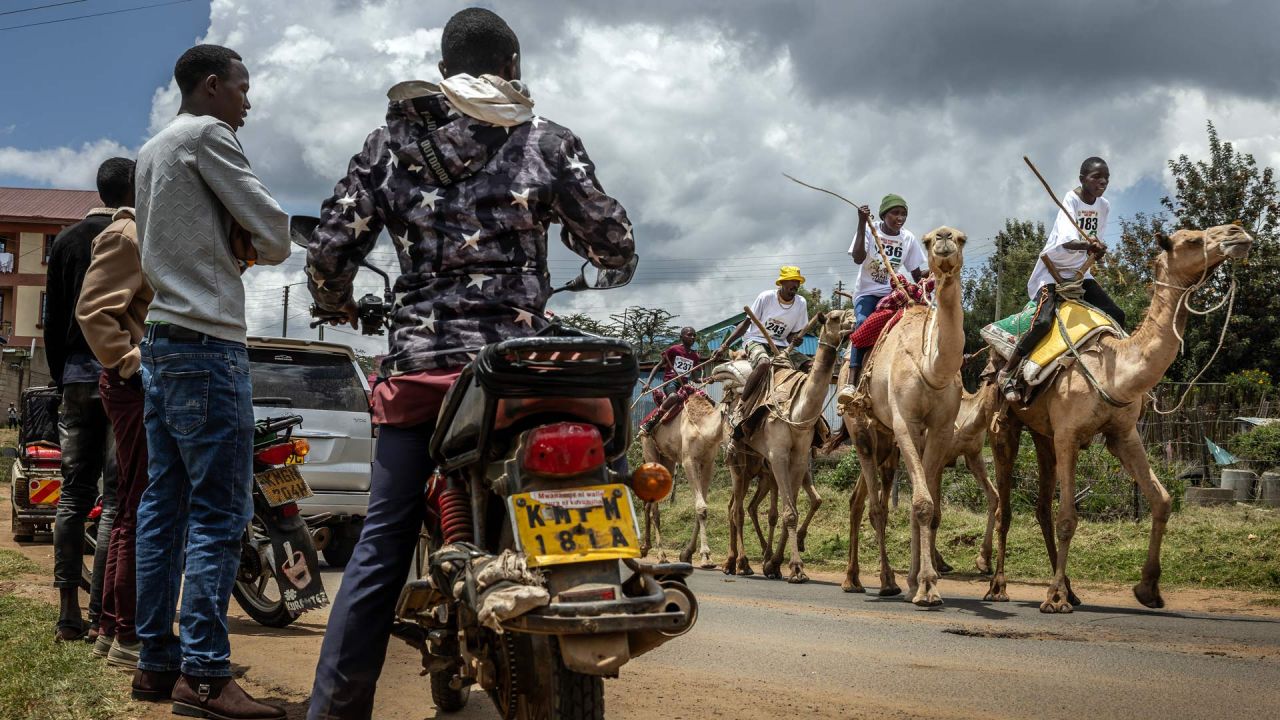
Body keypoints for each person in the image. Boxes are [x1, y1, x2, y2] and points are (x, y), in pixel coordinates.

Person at [303, 9, 635, 719]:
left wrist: (333, 300)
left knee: (381, 544)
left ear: (445, 66)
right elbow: (614, 243)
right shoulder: (546, 139)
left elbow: (330, 251)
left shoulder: (388, 147)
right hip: (521, 373)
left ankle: (333, 711)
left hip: (425, 372)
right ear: (511, 66)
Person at [132, 44, 291, 719]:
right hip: (208, 345)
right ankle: (204, 674)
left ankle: (155, 664)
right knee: (221, 513)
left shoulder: (151, 150)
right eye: (243, 89)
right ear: (212, 85)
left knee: (161, 507)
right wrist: (253, 241)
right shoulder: (208, 134)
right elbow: (276, 233)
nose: (247, 103)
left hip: (161, 342)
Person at [43, 157, 128, 644]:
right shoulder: (131, 238)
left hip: (75, 375)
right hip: (118, 374)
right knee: (116, 497)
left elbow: (53, 321)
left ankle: (67, 614)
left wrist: (61, 379)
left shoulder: (68, 241)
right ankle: (102, 616)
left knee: (74, 495)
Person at [76, 167, 153, 669]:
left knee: (129, 503)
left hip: (131, 384)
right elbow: (93, 310)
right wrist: (131, 363)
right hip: (132, 385)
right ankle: (125, 633)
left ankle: (111, 628)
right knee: (138, 506)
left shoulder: (139, 230)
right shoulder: (127, 233)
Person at [996, 157, 1125, 401]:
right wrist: (1089, 244)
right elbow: (1067, 241)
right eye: (1096, 177)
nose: (1103, 181)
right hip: (1052, 274)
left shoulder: (1104, 205)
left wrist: (1098, 250)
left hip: (1079, 275)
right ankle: (1008, 372)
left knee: (1117, 314)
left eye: (1106, 177)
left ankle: (1117, 371)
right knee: (1043, 322)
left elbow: (1095, 241)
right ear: (1082, 179)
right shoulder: (1071, 200)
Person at [837, 194, 926, 400]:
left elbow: (915, 273)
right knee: (862, 323)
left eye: (904, 214)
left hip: (893, 294)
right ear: (884, 215)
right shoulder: (870, 229)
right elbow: (858, 258)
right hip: (868, 294)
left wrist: (939, 271)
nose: (900, 217)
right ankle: (851, 380)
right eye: (895, 213)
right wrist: (861, 222)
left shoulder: (908, 238)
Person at [713, 266, 810, 370]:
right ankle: (749, 387)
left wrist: (795, 340)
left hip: (781, 346)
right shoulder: (766, 297)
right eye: (792, 280)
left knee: (810, 365)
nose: (796, 284)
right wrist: (724, 346)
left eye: (798, 281)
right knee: (763, 363)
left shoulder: (801, 303)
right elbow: (745, 324)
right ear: (782, 282)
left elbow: (791, 336)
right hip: (756, 341)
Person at [641, 326, 702, 434]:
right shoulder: (674, 350)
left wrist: (708, 379)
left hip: (685, 385)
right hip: (671, 382)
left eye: (694, 335)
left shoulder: (695, 356)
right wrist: (648, 383)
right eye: (689, 335)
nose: (692, 337)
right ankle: (653, 420)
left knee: (703, 398)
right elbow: (658, 366)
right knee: (673, 396)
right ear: (681, 337)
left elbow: (695, 378)